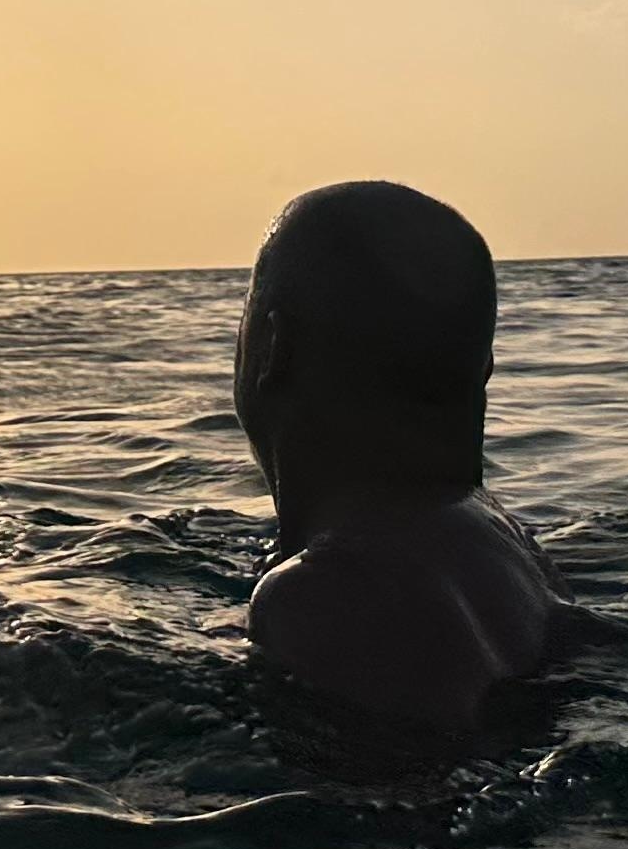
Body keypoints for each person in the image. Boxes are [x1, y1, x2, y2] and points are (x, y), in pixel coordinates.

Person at [233, 180, 575, 733]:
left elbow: (404, 782)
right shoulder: (509, 552)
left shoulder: (322, 596)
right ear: (485, 369)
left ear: (273, 347)